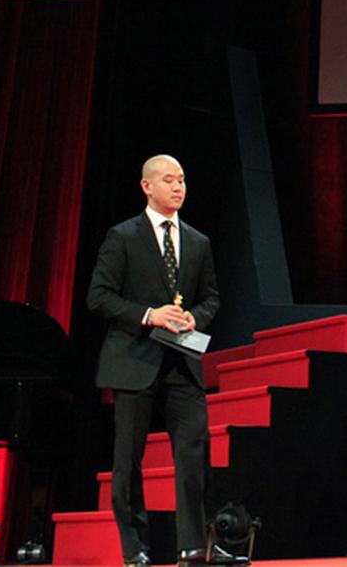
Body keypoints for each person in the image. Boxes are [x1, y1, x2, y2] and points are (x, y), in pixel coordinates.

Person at [87, 155, 221, 566]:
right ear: (147, 186)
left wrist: (191, 318)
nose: (178, 187)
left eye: (182, 180)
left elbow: (211, 297)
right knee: (128, 459)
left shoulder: (197, 241)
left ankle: (193, 546)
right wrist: (149, 315)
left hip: (181, 362)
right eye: (168, 180)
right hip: (134, 358)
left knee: (194, 449)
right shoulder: (123, 235)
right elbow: (99, 297)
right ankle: (135, 549)